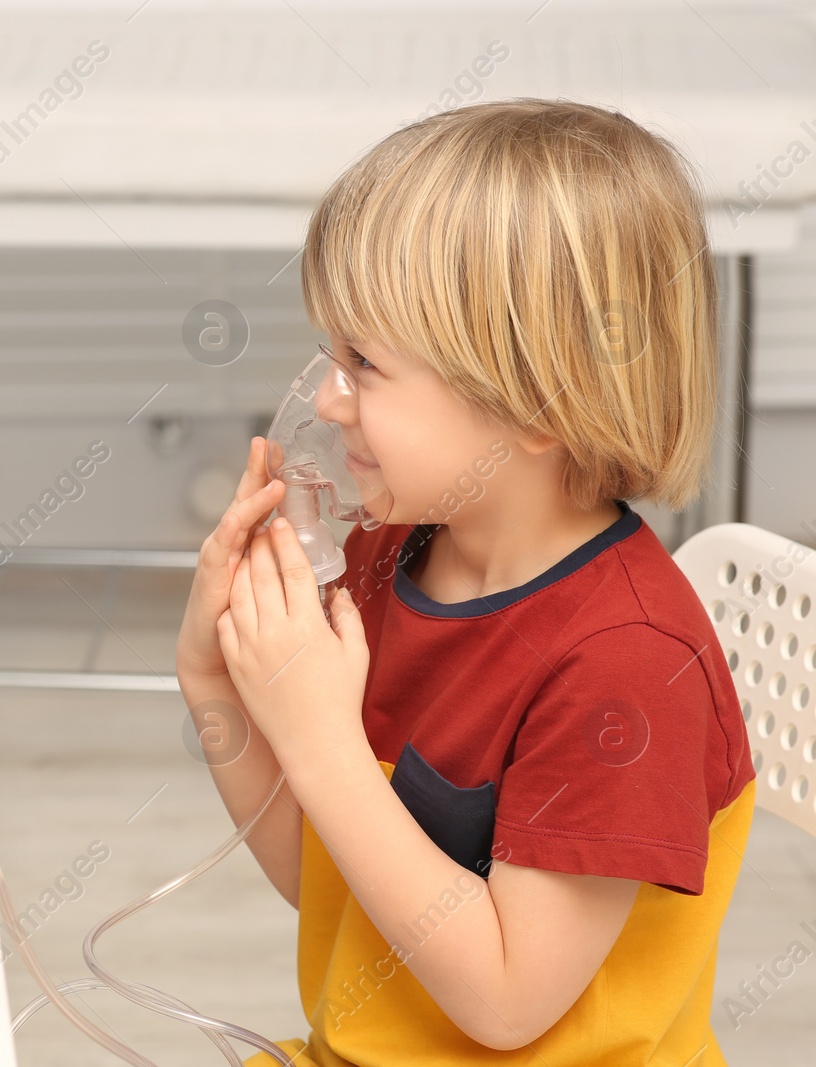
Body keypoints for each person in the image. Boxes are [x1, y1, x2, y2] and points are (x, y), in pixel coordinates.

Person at [179, 100, 754, 1065]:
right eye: (332, 353)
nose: (325, 397)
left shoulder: (628, 667)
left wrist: (317, 736)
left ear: (540, 400)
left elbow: (504, 1002)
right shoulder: (388, 557)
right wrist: (215, 679)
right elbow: (331, 883)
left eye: (366, 363)